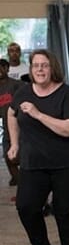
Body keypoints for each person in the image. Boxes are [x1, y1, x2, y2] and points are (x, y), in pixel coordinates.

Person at [6, 49, 69, 245]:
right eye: (35, 65)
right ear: (31, 69)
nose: (40, 69)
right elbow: (11, 115)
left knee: (65, 210)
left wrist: (38, 114)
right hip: (35, 162)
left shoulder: (67, 94)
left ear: (52, 68)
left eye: (44, 65)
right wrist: (14, 144)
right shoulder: (23, 92)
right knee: (26, 206)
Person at [0, 59, 25, 187]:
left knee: (24, 159)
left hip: (21, 127)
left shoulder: (17, 85)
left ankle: (25, 187)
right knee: (8, 157)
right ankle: (20, 183)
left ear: (7, 69)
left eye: (2, 67)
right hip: (6, 128)